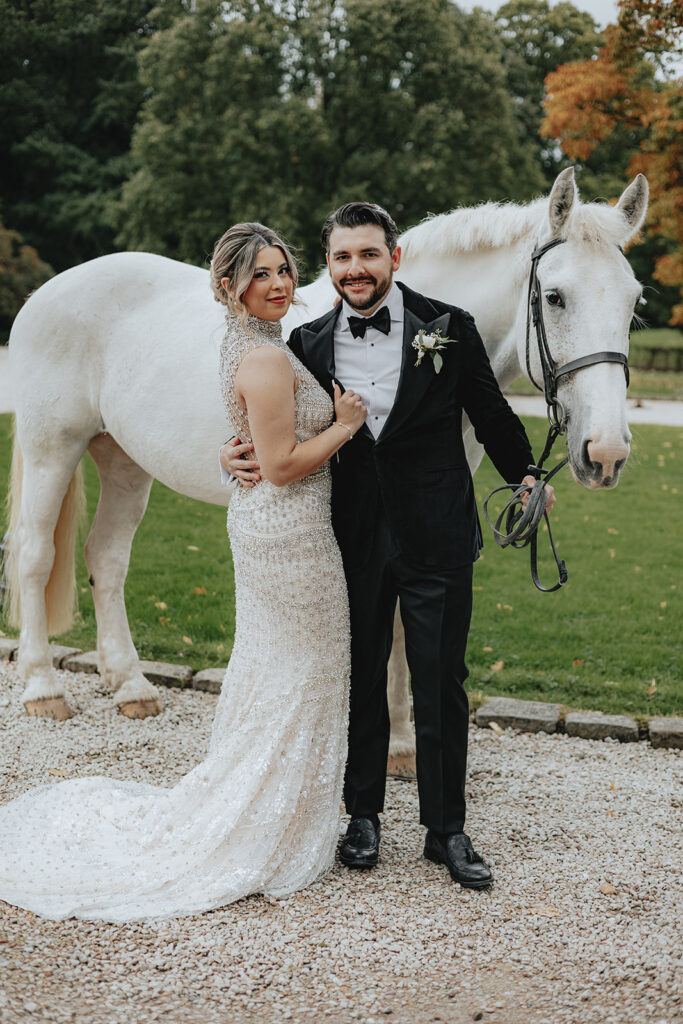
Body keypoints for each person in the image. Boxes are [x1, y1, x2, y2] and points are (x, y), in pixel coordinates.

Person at [0, 222, 367, 922]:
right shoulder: (262, 357)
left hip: (275, 527)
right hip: (285, 529)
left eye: (284, 269)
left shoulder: (259, 343)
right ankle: (262, 818)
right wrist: (345, 422)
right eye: (261, 274)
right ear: (229, 288)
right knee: (299, 667)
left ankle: (269, 809)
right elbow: (284, 463)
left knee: (280, 668)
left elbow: (259, 440)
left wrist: (245, 449)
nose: (281, 283)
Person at [223, 202, 555, 889]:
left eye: (368, 255)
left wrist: (524, 475)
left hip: (436, 535)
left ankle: (446, 830)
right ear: (330, 266)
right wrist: (232, 453)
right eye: (342, 257)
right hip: (344, 540)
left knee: (440, 683)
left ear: (393, 258)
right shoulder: (305, 342)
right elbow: (271, 420)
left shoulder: (449, 328)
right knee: (361, 679)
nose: (355, 269)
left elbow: (491, 416)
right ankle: (362, 816)